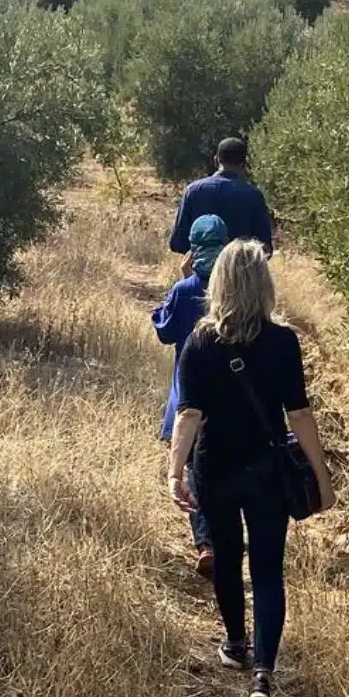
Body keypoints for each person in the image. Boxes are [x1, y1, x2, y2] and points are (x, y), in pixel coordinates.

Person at [167, 239, 336, 697]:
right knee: (267, 572)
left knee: (225, 557)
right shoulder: (283, 341)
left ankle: (235, 645)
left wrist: (174, 471)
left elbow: (190, 414)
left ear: (217, 282)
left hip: (215, 468)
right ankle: (263, 674)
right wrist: (321, 477)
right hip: (267, 472)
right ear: (264, 284)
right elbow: (300, 415)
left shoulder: (201, 341)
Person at [152, 213, 230, 577]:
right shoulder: (234, 292)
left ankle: (206, 543)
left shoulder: (184, 292)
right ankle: (228, 538)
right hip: (230, 395)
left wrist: (179, 283)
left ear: (194, 250)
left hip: (189, 395)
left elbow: (165, 332)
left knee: (196, 470)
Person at [168, 137, 274, 277]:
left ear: (216, 160)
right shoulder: (253, 196)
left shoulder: (193, 191)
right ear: (245, 163)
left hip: (199, 280)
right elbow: (264, 250)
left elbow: (177, 243)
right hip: (238, 284)